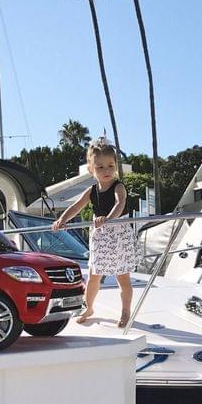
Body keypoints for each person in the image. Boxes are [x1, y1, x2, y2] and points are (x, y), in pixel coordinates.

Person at [52, 138, 137, 327]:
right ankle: (89, 307)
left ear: (115, 166)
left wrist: (108, 219)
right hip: (100, 235)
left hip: (118, 234)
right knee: (94, 275)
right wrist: (62, 220)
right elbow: (75, 207)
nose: (106, 170)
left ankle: (125, 311)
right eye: (100, 167)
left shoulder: (118, 186)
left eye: (110, 166)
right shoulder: (91, 191)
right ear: (91, 169)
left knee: (122, 276)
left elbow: (120, 203)